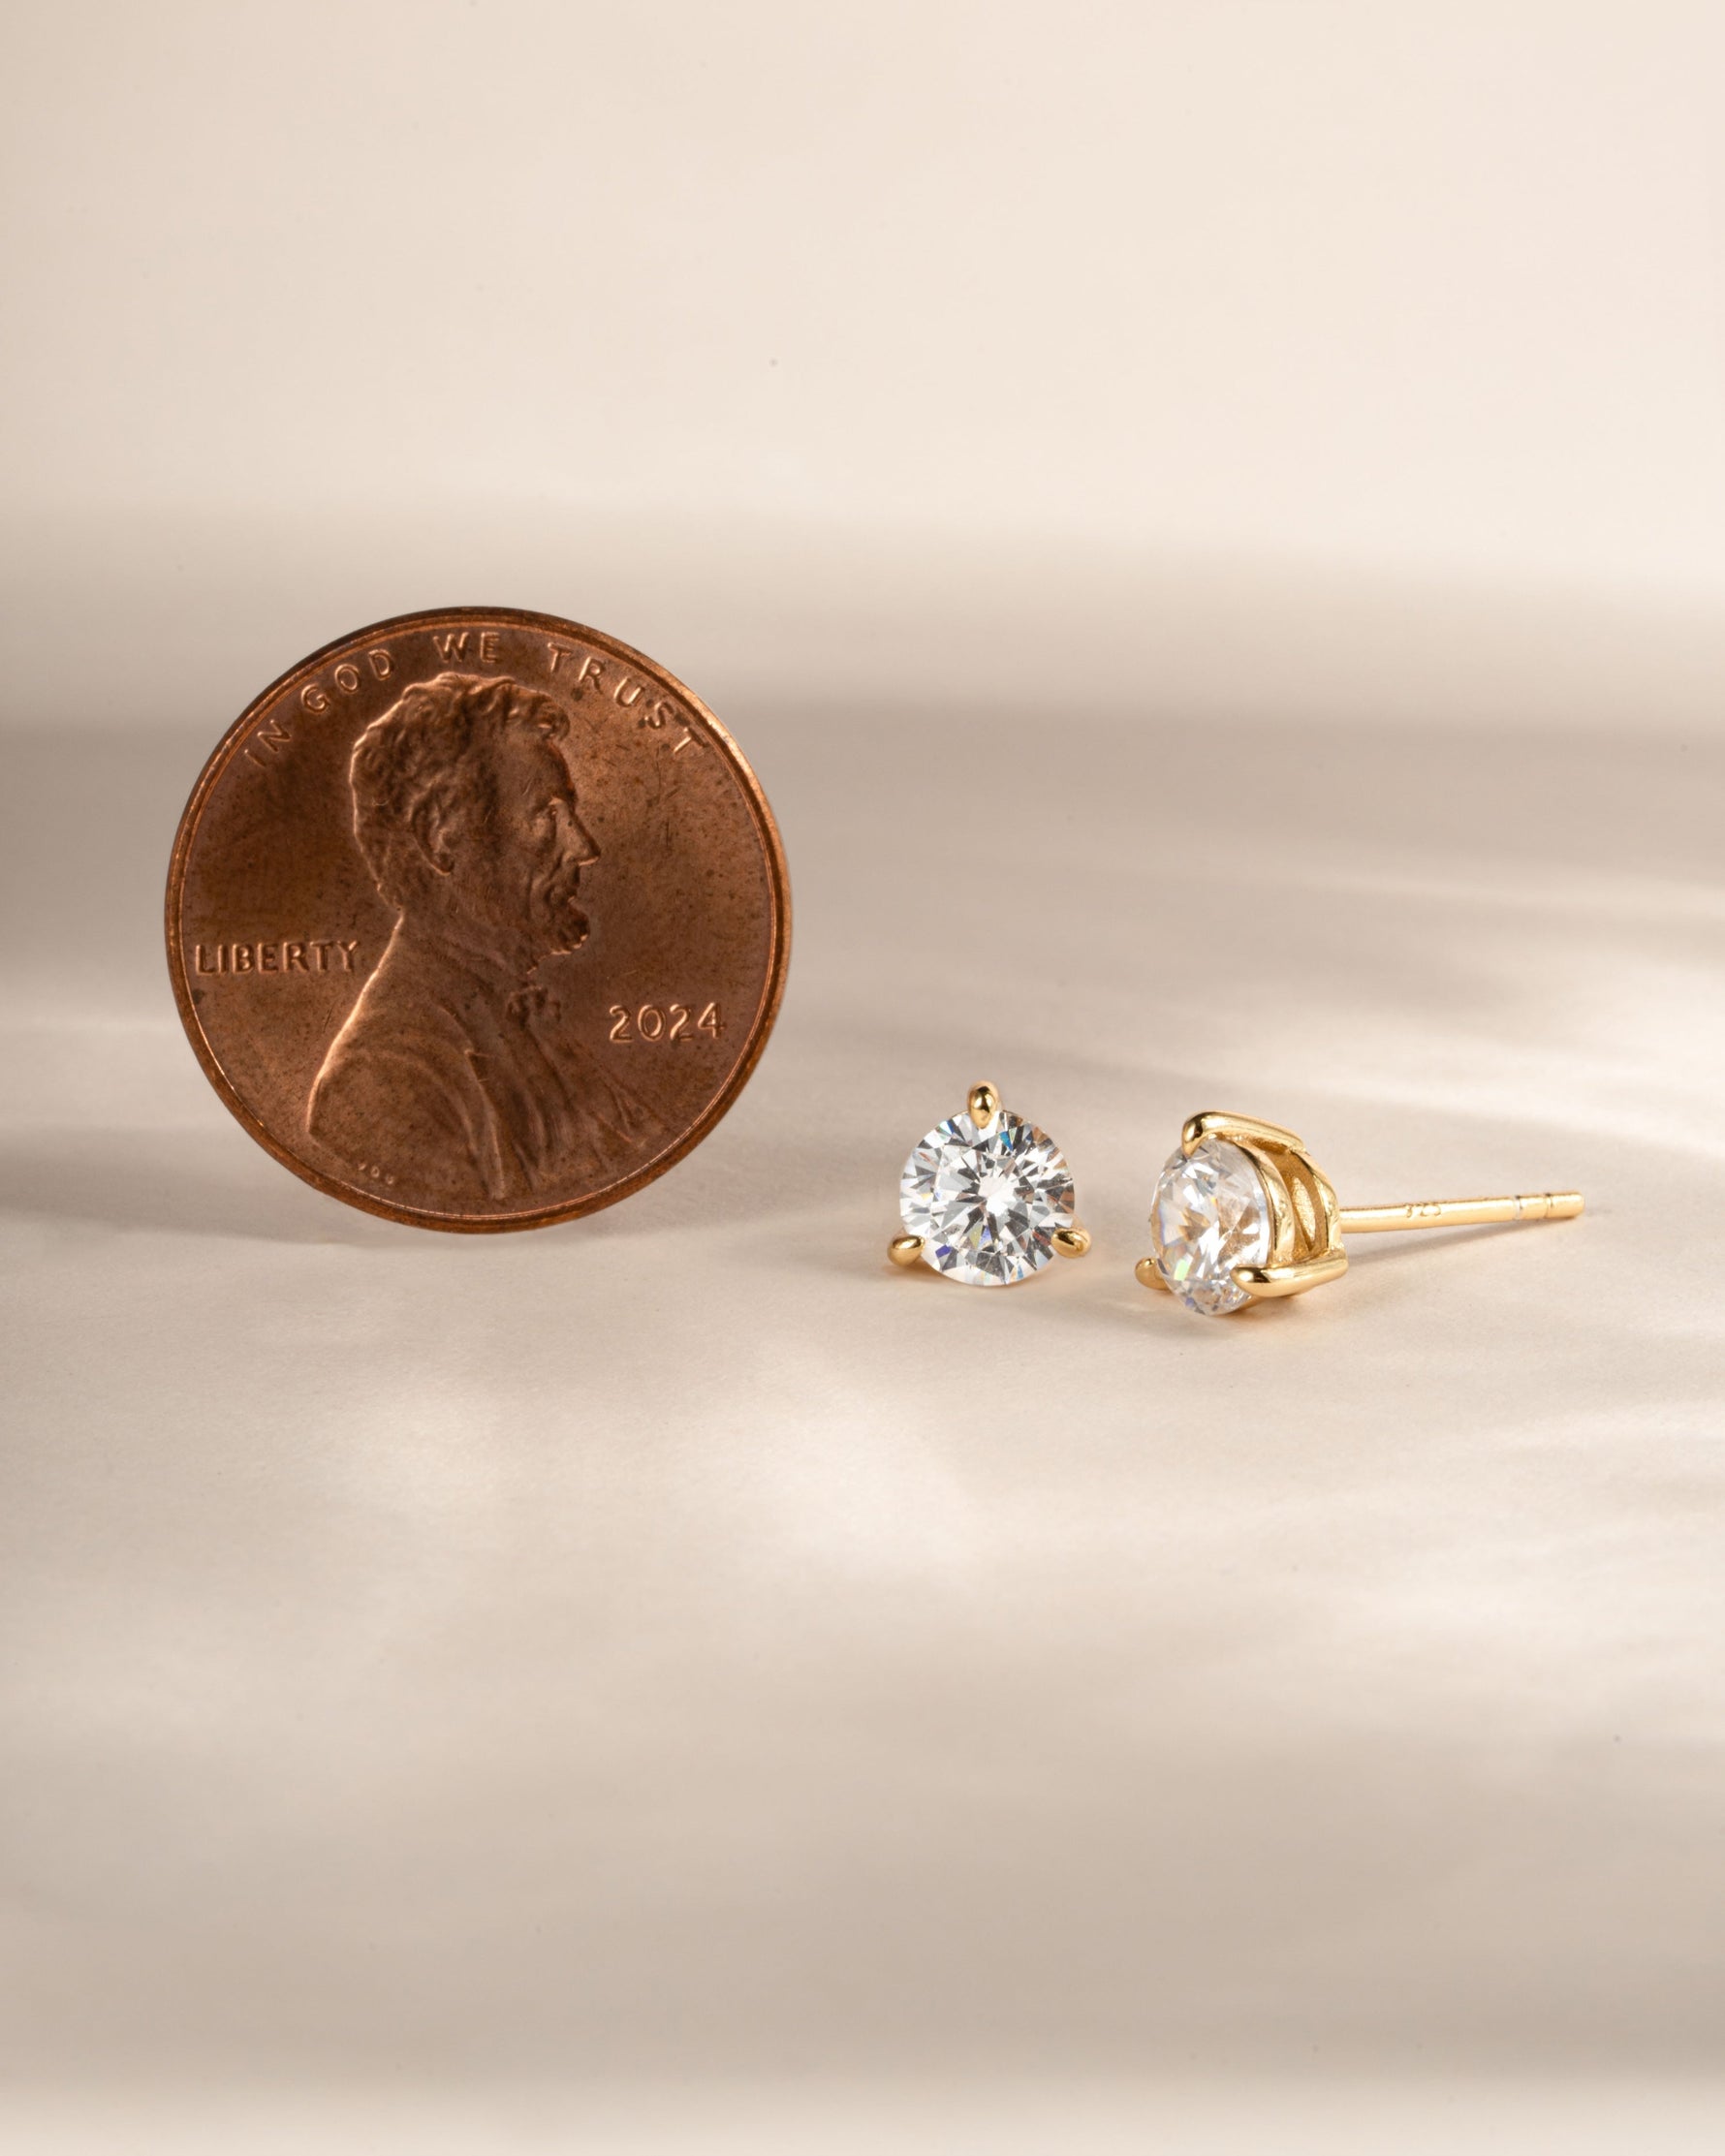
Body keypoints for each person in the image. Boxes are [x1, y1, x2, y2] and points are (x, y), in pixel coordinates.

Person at [308, 672, 657, 1203]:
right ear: (442, 839)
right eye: (547, 815)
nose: (584, 847)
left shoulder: (528, 1023)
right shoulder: (382, 1081)